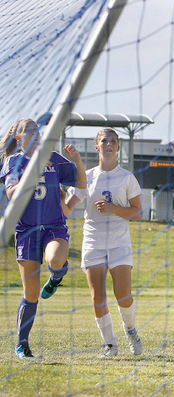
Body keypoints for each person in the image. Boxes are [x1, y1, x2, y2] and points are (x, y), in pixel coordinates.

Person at [0, 118, 86, 359]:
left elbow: (80, 183)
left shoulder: (54, 157)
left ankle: (56, 277)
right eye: (29, 132)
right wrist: (35, 167)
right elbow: (12, 193)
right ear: (18, 138)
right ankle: (22, 344)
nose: (36, 135)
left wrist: (77, 161)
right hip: (26, 231)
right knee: (31, 294)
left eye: (38, 131)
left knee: (56, 260)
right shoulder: (13, 161)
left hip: (53, 227)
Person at [62, 128, 143, 358]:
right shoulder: (86, 177)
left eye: (113, 141)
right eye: (104, 141)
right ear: (96, 147)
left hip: (119, 243)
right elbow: (68, 208)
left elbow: (138, 212)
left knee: (123, 294)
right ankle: (110, 344)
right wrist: (55, 194)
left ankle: (131, 331)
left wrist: (113, 209)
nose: (109, 144)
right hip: (93, 242)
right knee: (98, 297)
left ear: (118, 147)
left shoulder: (126, 177)